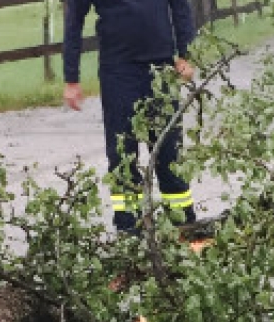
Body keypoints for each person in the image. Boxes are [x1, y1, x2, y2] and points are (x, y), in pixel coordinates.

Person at [62, 0, 198, 233]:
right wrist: (71, 77)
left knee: (170, 153)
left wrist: (187, 53)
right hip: (118, 71)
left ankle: (182, 224)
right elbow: (74, 20)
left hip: (162, 67)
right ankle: (130, 231)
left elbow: (180, 6)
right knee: (122, 155)